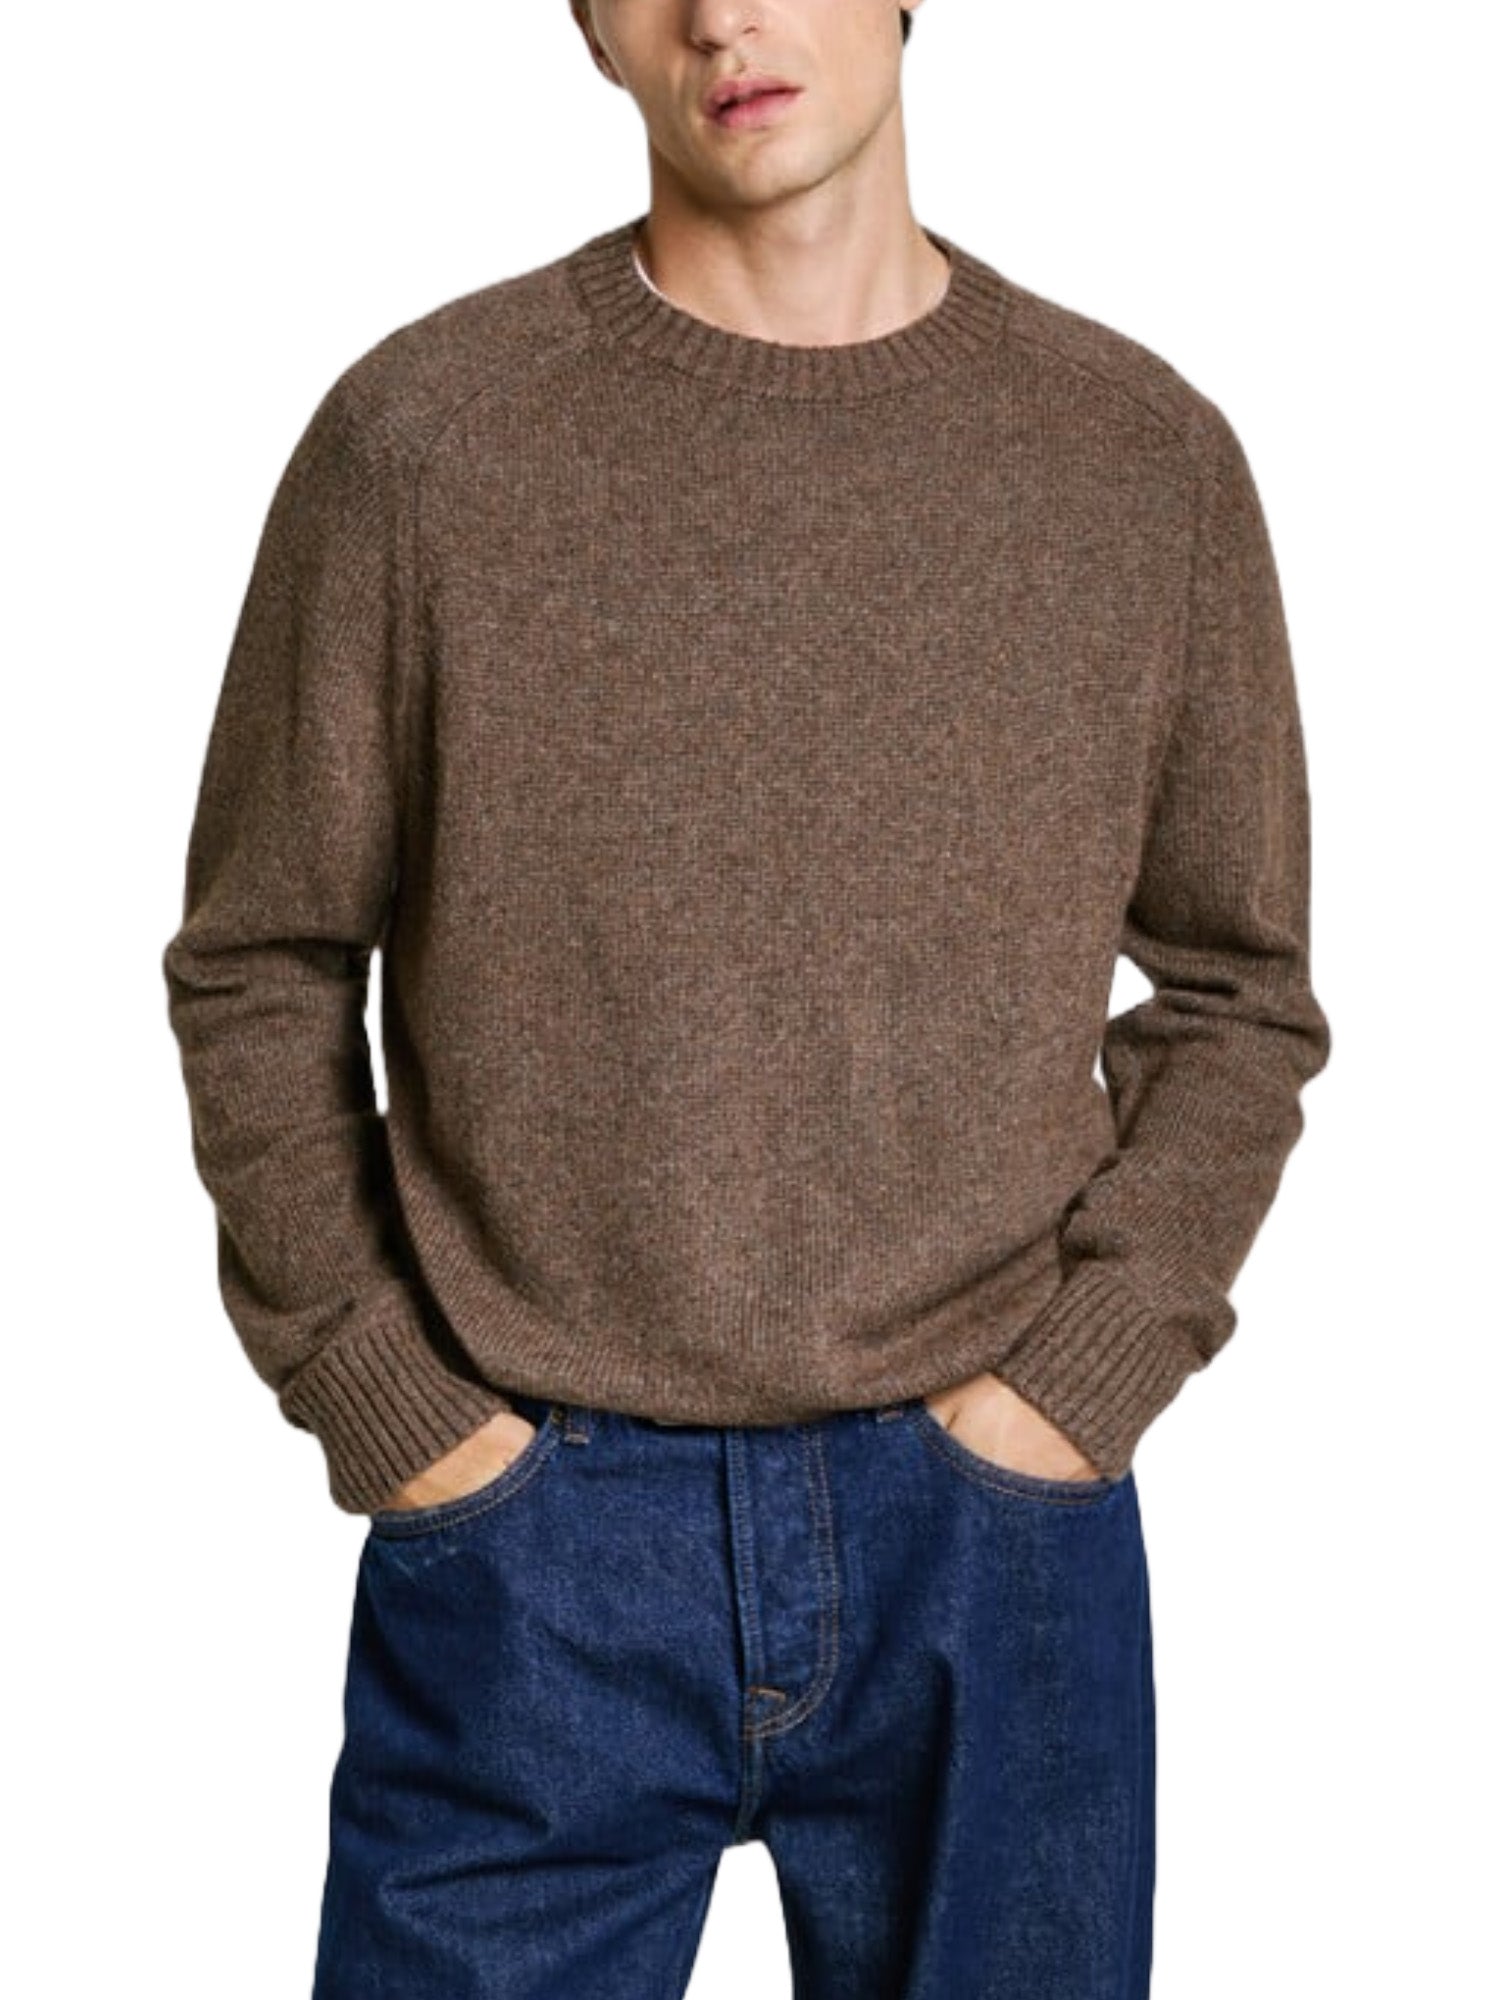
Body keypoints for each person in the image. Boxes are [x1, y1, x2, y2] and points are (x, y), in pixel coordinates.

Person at [160, 2, 1332, 1993]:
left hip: (991, 1543)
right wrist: (399, 1407)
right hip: (535, 1539)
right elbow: (260, 957)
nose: (723, 15)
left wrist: (1081, 1384)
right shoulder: (423, 443)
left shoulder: (1140, 461)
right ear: (587, 25)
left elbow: (1239, 986)